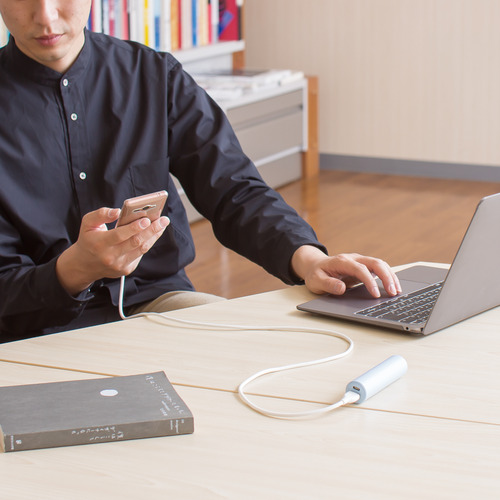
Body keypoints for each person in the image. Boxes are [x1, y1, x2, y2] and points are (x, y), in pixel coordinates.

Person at [0, 0, 401, 342]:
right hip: (31, 329)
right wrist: (73, 271)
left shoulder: (153, 75)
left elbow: (234, 189)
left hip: (155, 302)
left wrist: (308, 259)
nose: (46, 16)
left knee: (259, 355)